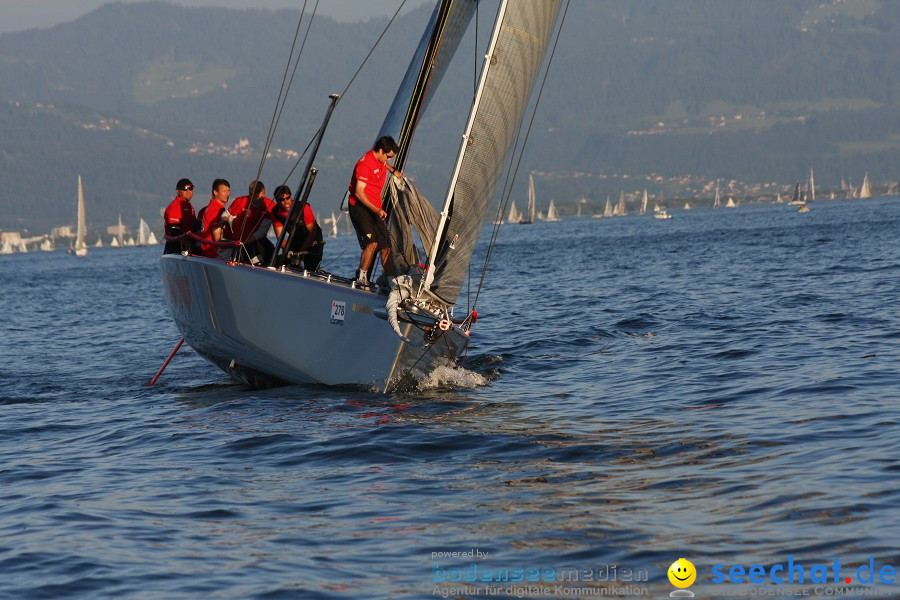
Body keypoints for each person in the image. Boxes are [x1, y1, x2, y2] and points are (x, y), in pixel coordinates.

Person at [347, 136, 402, 286]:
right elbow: (358, 192)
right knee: (372, 244)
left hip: (375, 207)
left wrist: (394, 171)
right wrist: (377, 209)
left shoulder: (380, 159)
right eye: (388, 156)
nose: (388, 159)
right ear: (380, 151)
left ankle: (391, 282)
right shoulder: (365, 165)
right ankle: (362, 277)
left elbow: (384, 164)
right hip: (360, 206)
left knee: (386, 247)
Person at [220, 180, 275, 265]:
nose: (259, 202)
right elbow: (226, 214)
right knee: (249, 255)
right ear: (250, 194)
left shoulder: (269, 205)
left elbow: (263, 230)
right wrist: (225, 219)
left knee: (271, 251)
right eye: (256, 199)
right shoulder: (241, 201)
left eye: (261, 199)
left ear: (264, 193)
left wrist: (250, 240)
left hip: (256, 239)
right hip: (239, 240)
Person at [271, 184, 323, 271]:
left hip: (313, 239)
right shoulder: (275, 213)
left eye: (288, 198)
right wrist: (289, 251)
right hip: (295, 238)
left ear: (291, 197)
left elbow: (312, 233)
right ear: (277, 201)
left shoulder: (304, 208)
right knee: (282, 261)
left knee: (311, 265)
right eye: (282, 199)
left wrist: (300, 253)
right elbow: (280, 237)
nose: (286, 201)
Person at [163, 178, 200, 254]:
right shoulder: (175, 206)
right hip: (176, 248)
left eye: (190, 188)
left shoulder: (190, 207)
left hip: (189, 246)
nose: (188, 191)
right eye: (185, 189)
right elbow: (174, 230)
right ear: (178, 191)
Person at [198, 178, 231, 258]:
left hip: (210, 252)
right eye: (224, 191)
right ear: (215, 192)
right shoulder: (215, 210)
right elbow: (217, 239)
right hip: (216, 254)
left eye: (228, 191)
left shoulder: (211, 208)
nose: (227, 194)